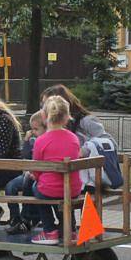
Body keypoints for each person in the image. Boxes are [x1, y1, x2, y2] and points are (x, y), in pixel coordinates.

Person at [30, 95, 83, 245]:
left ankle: (49, 230)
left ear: (44, 116)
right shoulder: (74, 138)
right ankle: (70, 230)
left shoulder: (41, 140)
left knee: (38, 189)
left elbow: (36, 168)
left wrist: (38, 178)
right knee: (63, 196)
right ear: (67, 117)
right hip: (72, 189)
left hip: (49, 189)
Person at [4, 109, 45, 234]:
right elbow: (26, 156)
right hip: (30, 172)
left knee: (30, 184)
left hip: (40, 175)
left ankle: (28, 218)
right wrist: (26, 141)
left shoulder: (46, 141)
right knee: (10, 187)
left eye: (36, 129)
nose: (33, 132)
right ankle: (15, 218)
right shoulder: (33, 140)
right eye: (32, 129)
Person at [40, 84, 109, 147]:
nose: (44, 109)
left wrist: (85, 150)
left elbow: (108, 142)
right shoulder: (53, 126)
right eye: (43, 105)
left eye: (47, 104)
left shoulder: (86, 121)